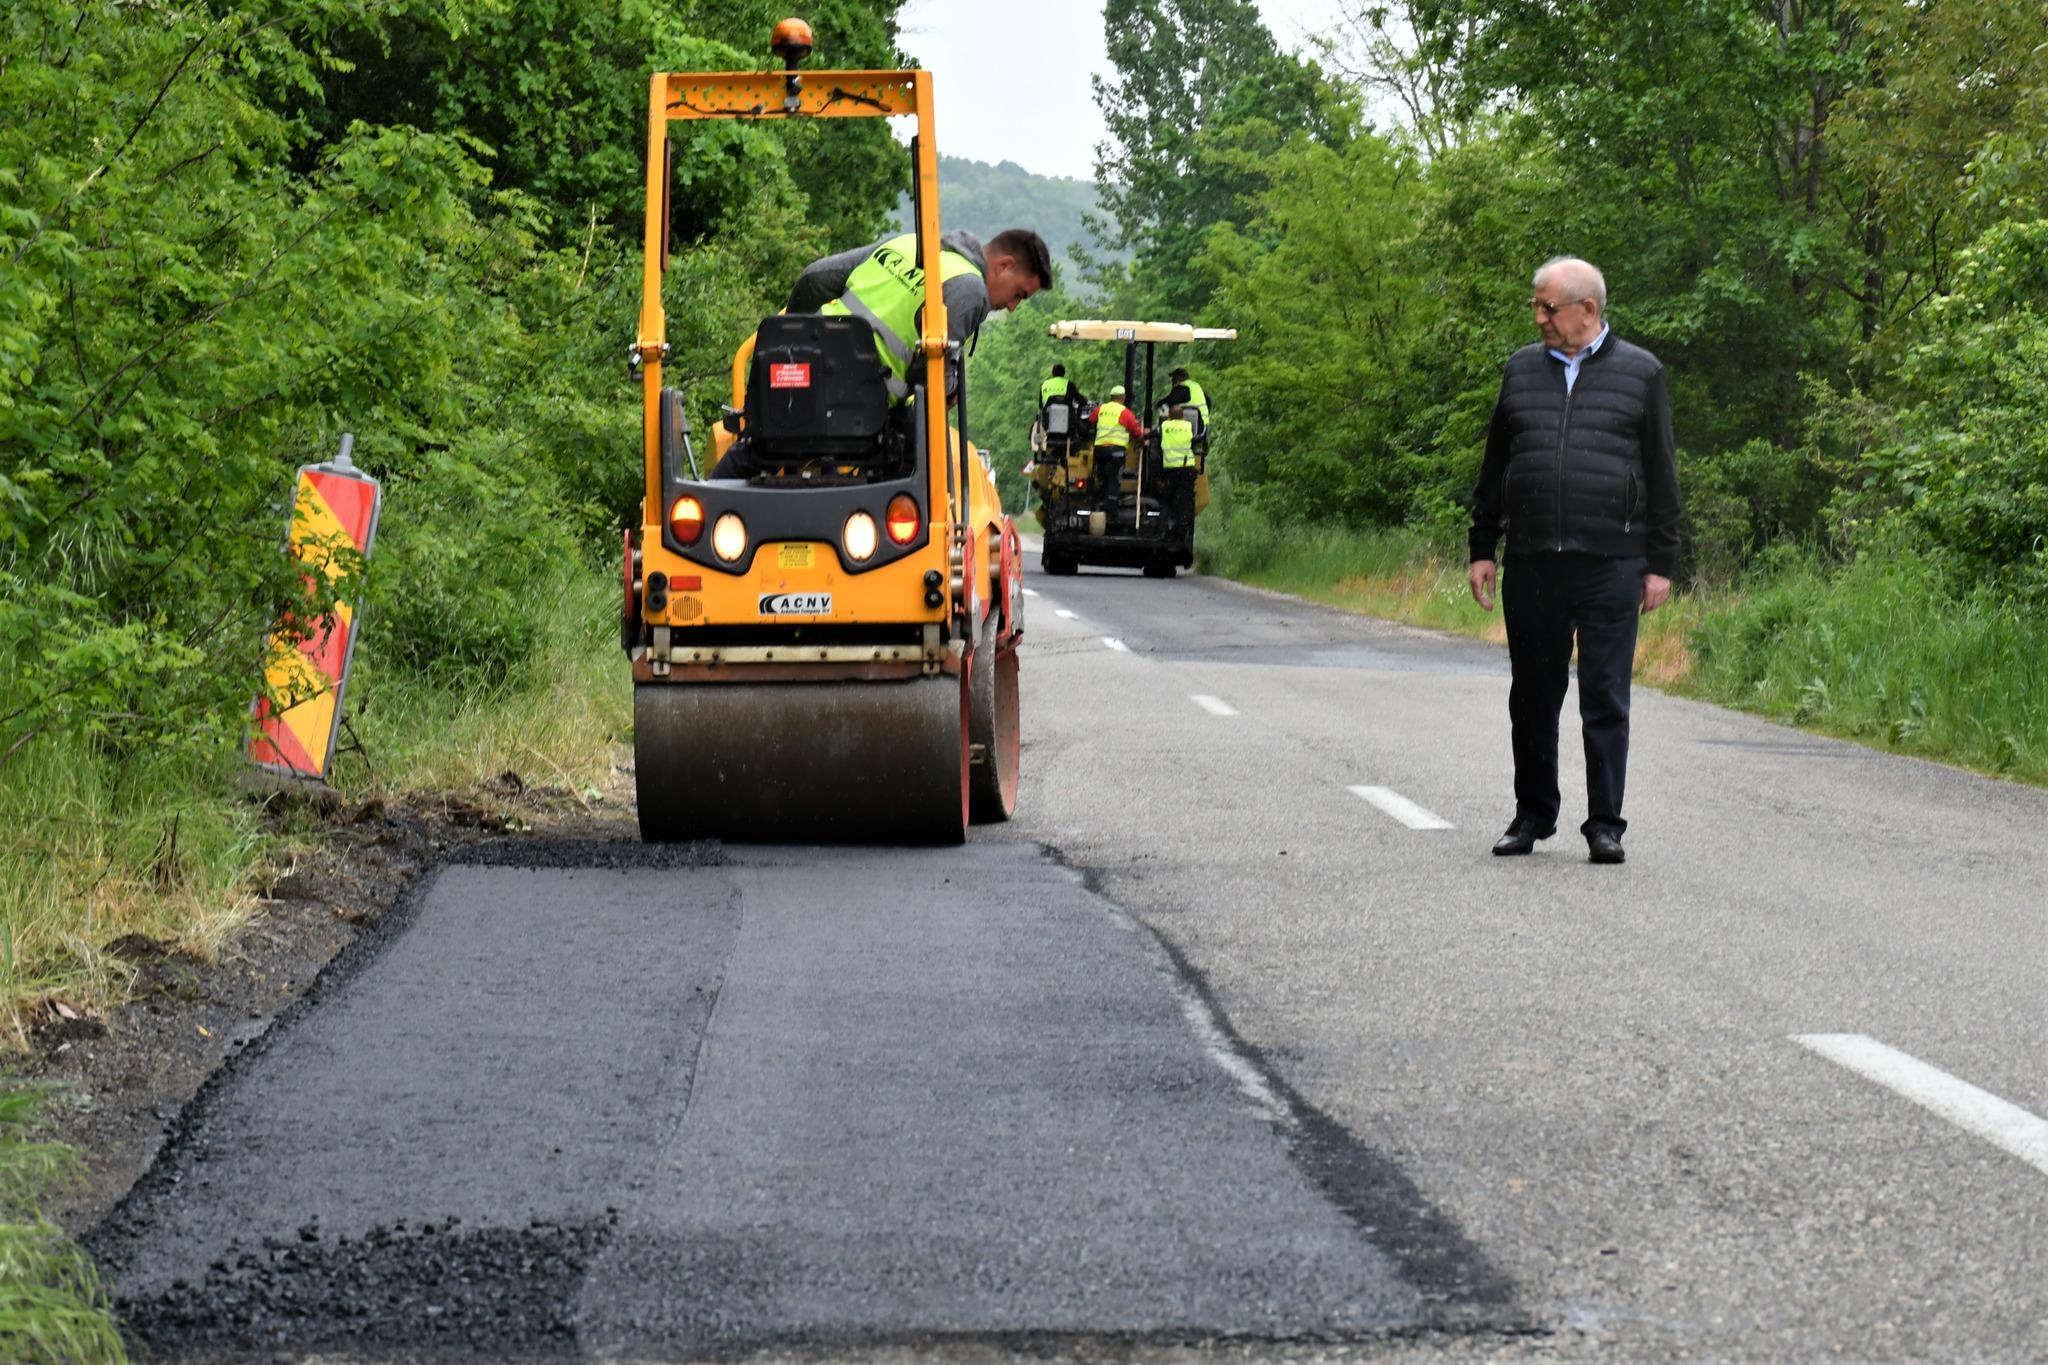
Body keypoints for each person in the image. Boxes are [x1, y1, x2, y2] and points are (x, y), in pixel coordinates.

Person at [1467, 256, 1680, 865]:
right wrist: (1483, 546)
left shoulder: (1641, 373)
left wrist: (1660, 561)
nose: (1538, 318)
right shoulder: (1520, 371)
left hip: (1612, 562)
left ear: (1587, 310)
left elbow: (1663, 475)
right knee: (1533, 694)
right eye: (1536, 306)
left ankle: (1605, 824)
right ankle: (1533, 814)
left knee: (1605, 696)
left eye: (1547, 307)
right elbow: (1494, 468)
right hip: (1533, 561)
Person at [712, 227, 1051, 475]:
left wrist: (791, 341)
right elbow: (926, 376)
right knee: (931, 466)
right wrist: (950, 391)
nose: (1011, 307)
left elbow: (814, 278)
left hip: (797, 381)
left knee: (755, 454)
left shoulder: (907, 243)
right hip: (861, 410)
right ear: (1003, 265)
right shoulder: (969, 288)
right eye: (1019, 294)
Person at [1091, 383, 1146, 493]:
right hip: (1116, 451)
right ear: (1123, 398)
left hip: (1100, 450)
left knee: (1103, 478)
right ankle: (1111, 506)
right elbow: (1136, 432)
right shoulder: (1125, 412)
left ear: (1111, 397)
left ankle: (1102, 499)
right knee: (1114, 480)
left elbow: (1091, 420)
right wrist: (1144, 435)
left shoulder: (1101, 409)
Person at [1157, 404, 1199, 532]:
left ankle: (1162, 527)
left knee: (1166, 498)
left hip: (1171, 470)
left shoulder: (1165, 426)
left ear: (1168, 416)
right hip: (1187, 468)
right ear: (1183, 417)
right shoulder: (1188, 426)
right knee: (1185, 500)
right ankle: (1182, 531)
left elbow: (1154, 433)